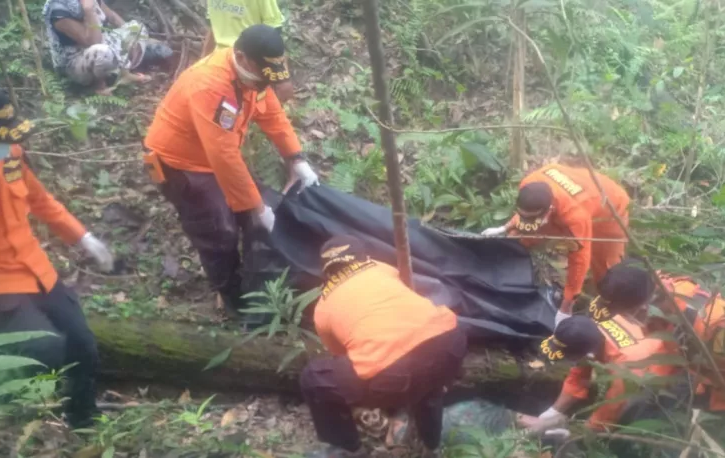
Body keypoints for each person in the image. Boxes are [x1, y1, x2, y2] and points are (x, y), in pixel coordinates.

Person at [143, 25, 318, 318]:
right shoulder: (211, 86)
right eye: (261, 79)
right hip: (181, 165)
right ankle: (233, 297)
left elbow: (272, 112)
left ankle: (258, 277)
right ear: (241, 57)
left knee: (261, 212)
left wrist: (296, 157)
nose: (263, 85)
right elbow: (223, 156)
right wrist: (256, 206)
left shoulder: (255, 76)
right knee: (218, 229)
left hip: (214, 156)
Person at [0, 85, 115, 427]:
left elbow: (40, 201)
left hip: (36, 270)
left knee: (82, 344)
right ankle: (10, 415)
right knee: (45, 351)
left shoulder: (9, 153)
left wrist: (84, 238)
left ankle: (83, 419)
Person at [300, 235, 467, 457]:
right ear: (365, 258)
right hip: (450, 341)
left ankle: (349, 449)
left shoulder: (323, 308)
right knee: (429, 384)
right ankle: (431, 447)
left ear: (327, 272)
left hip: (391, 373)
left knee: (314, 378)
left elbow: (346, 359)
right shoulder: (383, 269)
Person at [587, 261, 725, 419]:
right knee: (648, 403)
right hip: (713, 374)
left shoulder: (717, 326)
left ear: (641, 309)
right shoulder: (655, 294)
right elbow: (669, 350)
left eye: (624, 314)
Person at [480, 164, 630, 327]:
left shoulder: (576, 217)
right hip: (576, 192)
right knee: (520, 235)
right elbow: (524, 214)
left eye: (533, 219)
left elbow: (579, 260)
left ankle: (611, 311)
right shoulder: (530, 183)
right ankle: (516, 265)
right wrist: (505, 227)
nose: (526, 222)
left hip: (610, 208)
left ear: (549, 210)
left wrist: (566, 307)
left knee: (606, 271)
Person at [521, 314, 680, 434]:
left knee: (633, 412)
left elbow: (614, 405)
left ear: (588, 354)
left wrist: (579, 433)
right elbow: (578, 376)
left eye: (569, 356)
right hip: (643, 355)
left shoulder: (626, 366)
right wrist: (550, 414)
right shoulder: (592, 332)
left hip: (665, 379)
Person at [43, 0, 172, 94]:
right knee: (102, 52)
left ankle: (123, 72)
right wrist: (89, 10)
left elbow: (112, 17)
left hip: (104, 41)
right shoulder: (58, 11)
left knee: (136, 28)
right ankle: (99, 86)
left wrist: (132, 36)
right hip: (76, 61)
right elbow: (93, 41)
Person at [201, 0, 293, 102]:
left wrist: (202, 62)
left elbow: (272, 41)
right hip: (247, 68)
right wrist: (283, 81)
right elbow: (273, 39)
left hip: (233, 65)